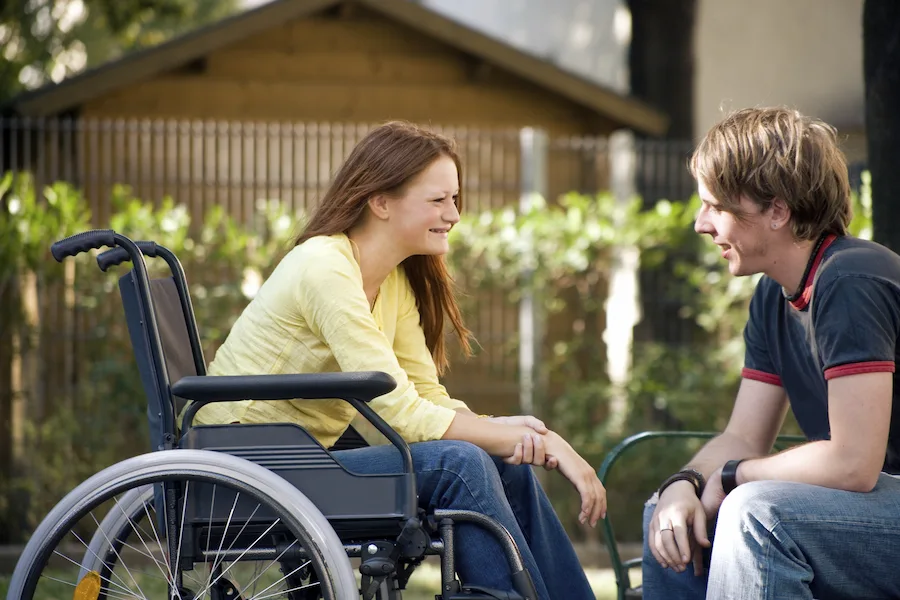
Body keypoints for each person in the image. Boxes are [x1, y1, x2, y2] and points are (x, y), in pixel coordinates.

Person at [193, 120, 604, 599]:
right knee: (459, 464)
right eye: (438, 200)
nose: (453, 214)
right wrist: (537, 441)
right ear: (380, 201)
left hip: (304, 459)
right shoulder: (325, 267)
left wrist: (519, 433)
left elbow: (424, 396)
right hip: (247, 465)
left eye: (455, 199)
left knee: (500, 461)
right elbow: (403, 417)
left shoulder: (391, 281)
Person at [641, 106, 900, 600]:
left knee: (754, 512)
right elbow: (743, 434)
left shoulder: (850, 280)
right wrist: (686, 483)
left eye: (715, 206)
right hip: (873, 509)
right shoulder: (773, 295)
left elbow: (853, 464)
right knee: (669, 515)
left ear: (777, 211)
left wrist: (735, 476)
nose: (700, 224)